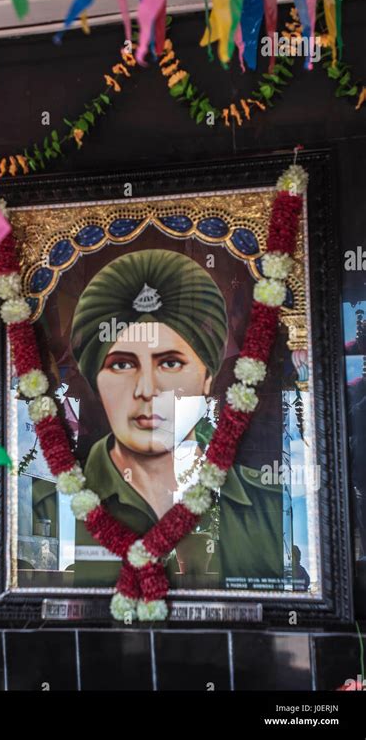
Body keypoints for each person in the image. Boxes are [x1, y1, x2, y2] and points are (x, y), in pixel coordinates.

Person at [32, 249, 283, 589]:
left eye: (170, 363)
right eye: (121, 364)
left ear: (208, 377)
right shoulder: (43, 508)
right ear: (96, 382)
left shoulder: (268, 503)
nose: (147, 390)